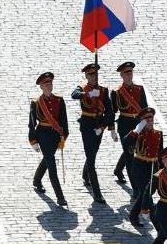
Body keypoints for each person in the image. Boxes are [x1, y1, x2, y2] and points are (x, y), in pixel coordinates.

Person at [71, 63, 116, 204]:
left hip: (98, 124)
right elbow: (74, 95)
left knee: (93, 152)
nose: (93, 77)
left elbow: (109, 111)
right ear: (86, 76)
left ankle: (85, 174)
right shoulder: (82, 89)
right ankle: (97, 192)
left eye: (95, 74)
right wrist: (88, 94)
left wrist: (106, 127)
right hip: (86, 124)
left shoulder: (103, 90)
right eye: (90, 75)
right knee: (91, 157)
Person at [28, 72, 69, 206]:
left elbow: (63, 120)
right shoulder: (36, 103)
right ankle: (60, 196)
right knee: (51, 164)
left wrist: (64, 135)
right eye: (46, 84)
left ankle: (37, 179)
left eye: (50, 83)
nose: (49, 86)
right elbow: (32, 123)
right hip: (43, 135)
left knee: (48, 158)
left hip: (55, 135)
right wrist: (33, 140)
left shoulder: (59, 100)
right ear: (41, 86)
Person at [110, 62, 148, 195]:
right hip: (125, 125)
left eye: (130, 72)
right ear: (121, 75)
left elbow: (144, 109)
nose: (128, 75)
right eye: (126, 73)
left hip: (138, 124)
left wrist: (147, 124)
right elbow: (112, 111)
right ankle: (136, 189)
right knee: (130, 156)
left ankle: (118, 169)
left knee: (132, 151)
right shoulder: (117, 92)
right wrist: (112, 129)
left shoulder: (139, 89)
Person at [123, 107, 163, 228]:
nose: (150, 122)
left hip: (153, 167)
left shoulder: (158, 134)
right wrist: (136, 130)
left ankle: (133, 215)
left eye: (151, 119)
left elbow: (160, 153)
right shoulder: (137, 134)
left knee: (145, 194)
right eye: (147, 120)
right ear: (142, 122)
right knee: (147, 197)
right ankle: (159, 227)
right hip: (139, 167)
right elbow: (125, 142)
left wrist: (162, 170)